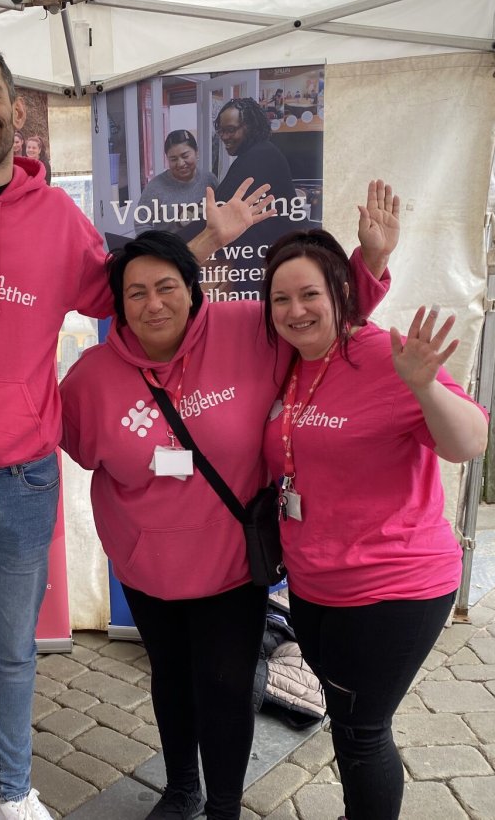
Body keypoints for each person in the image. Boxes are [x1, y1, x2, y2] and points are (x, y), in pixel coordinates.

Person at [0, 40, 277, 820]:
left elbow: (130, 294)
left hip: (25, 474)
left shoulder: (59, 219)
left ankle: (18, 792)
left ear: (17, 109)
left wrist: (208, 244)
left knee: (19, 653)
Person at [58, 183, 396, 820]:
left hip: (231, 564)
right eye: (135, 293)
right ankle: (181, 786)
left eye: (167, 288)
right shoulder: (89, 380)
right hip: (147, 564)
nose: (153, 303)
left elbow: (320, 323)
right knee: (171, 679)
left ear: (194, 290)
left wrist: (369, 265)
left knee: (226, 684)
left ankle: (224, 805)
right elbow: (67, 444)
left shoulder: (247, 329)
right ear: (117, 306)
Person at [260, 229, 487, 820]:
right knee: (347, 719)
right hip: (315, 585)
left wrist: (425, 384)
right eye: (280, 299)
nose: (294, 311)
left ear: (340, 292)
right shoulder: (289, 362)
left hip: (394, 586)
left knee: (364, 730)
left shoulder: (389, 354)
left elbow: (468, 442)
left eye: (309, 295)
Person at [214, 97, 298, 251]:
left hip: (277, 254)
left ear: (251, 127)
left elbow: (222, 209)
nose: (224, 137)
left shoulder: (259, 156)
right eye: (221, 130)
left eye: (231, 130)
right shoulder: (259, 152)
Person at [131, 129, 218, 237]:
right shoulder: (155, 187)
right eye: (173, 159)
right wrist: (158, 245)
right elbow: (141, 223)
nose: (180, 163)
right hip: (170, 250)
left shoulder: (209, 180)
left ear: (196, 153)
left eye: (185, 156)